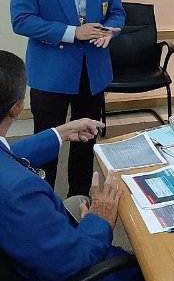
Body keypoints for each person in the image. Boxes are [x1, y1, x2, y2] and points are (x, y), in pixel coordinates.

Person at [10, 0, 125, 197]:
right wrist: (74, 32)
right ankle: (41, 197)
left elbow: (117, 12)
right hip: (51, 71)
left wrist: (110, 31)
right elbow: (21, 19)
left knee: (86, 138)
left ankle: (79, 198)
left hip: (93, 69)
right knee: (47, 141)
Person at [0, 50, 142, 281]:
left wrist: (60, 133)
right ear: (17, 108)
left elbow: (7, 154)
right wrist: (100, 219)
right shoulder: (20, 192)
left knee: (76, 202)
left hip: (34, 247)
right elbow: (75, 261)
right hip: (78, 267)